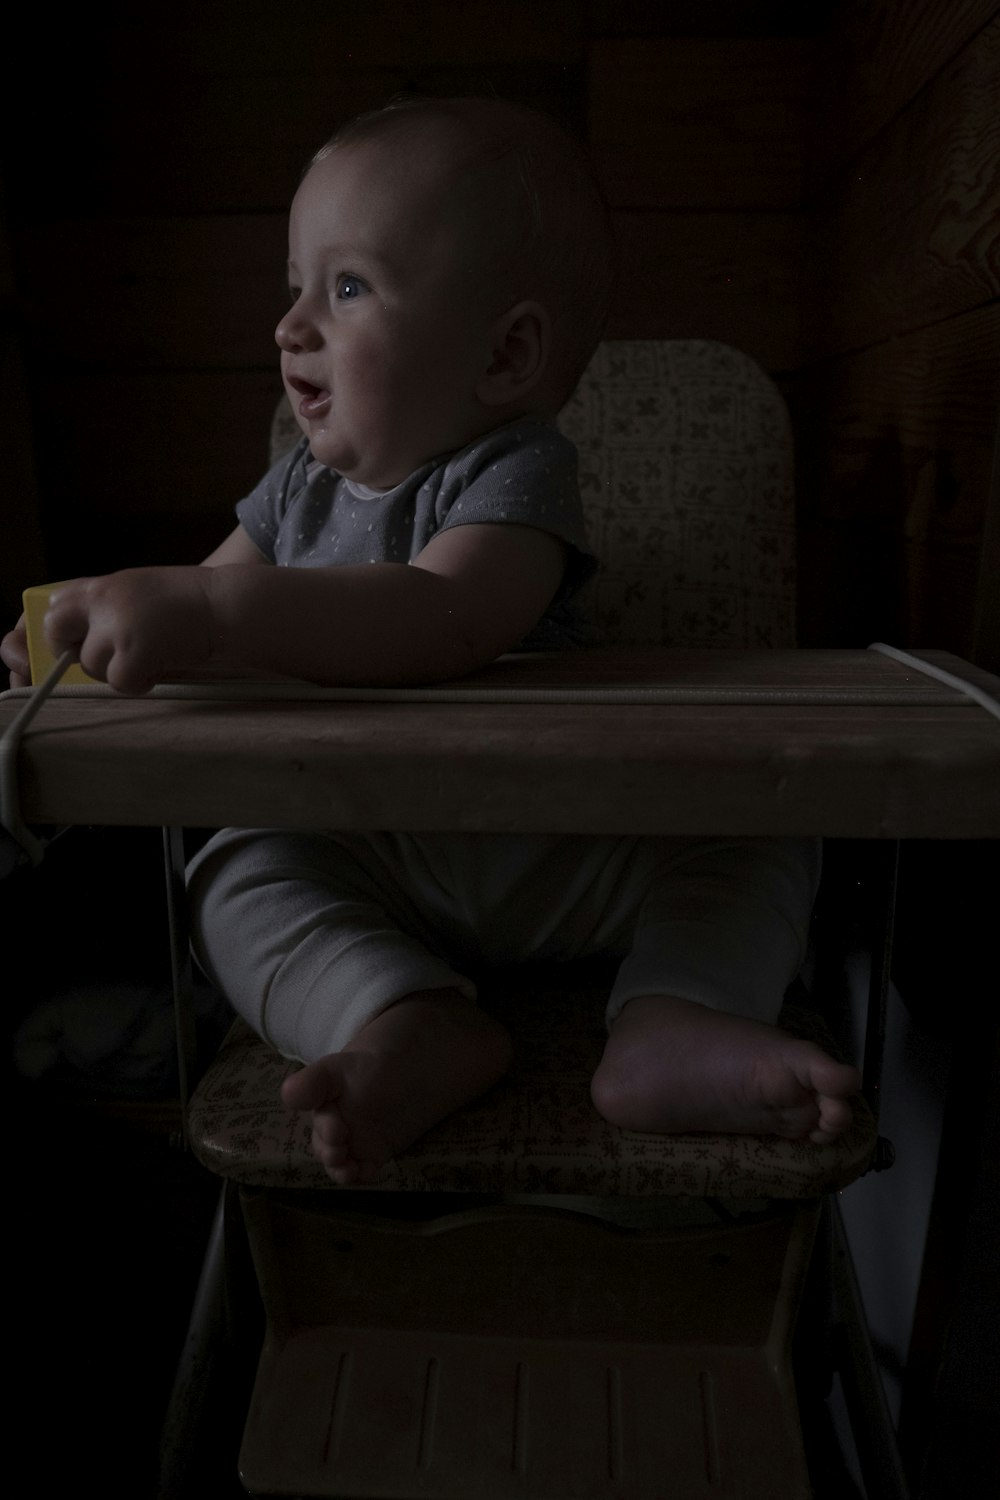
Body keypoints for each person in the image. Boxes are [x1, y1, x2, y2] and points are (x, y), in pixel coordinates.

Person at [1, 96, 860, 1185]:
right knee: (235, 876)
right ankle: (400, 1016)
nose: (291, 326)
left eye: (347, 287)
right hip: (376, 855)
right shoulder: (292, 493)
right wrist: (95, 634)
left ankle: (673, 1018)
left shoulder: (513, 472)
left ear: (504, 356)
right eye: (293, 288)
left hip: (575, 840)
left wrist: (208, 615)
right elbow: (186, 617)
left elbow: (443, 618)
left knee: (767, 830)